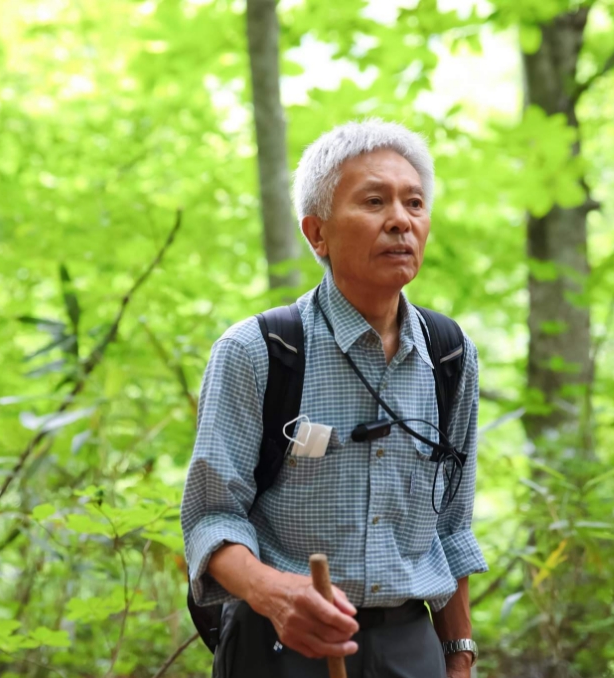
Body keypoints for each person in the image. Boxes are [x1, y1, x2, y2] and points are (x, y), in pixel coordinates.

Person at [180, 119, 487, 678]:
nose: (400, 219)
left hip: (410, 649)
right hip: (279, 648)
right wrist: (276, 596)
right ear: (317, 233)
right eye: (374, 201)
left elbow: (452, 528)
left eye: (414, 203)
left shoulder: (450, 356)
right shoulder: (260, 350)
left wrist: (459, 658)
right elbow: (211, 519)